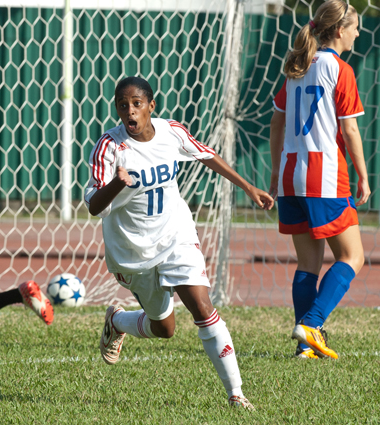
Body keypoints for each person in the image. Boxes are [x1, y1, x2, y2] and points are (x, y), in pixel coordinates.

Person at [84, 76, 274, 409]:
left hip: (176, 236)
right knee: (165, 329)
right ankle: (117, 321)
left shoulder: (171, 131)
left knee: (203, 307)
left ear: (151, 106)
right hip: (133, 252)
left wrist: (248, 187)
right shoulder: (109, 148)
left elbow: (206, 155)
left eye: (137, 103)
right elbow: (94, 206)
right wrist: (117, 183)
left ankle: (236, 394)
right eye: (123, 105)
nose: (130, 111)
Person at [269, 0, 368, 360]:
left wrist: (274, 172)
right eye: (355, 26)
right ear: (339, 30)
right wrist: (363, 175)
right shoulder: (339, 69)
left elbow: (277, 122)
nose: (358, 33)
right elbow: (351, 129)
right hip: (324, 177)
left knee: (308, 264)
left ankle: (304, 347)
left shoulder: (296, 66)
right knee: (352, 256)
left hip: (290, 177)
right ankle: (312, 323)